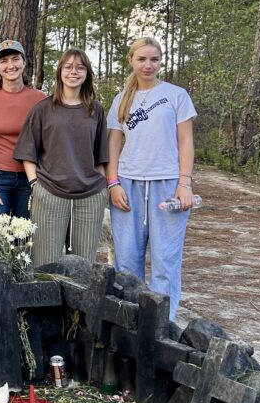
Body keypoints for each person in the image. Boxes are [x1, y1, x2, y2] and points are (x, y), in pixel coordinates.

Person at [106, 37, 197, 319]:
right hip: (128, 184)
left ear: (160, 62)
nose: (148, 65)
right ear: (131, 61)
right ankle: (129, 320)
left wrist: (184, 183)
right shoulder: (122, 99)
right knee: (126, 260)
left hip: (167, 184)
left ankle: (161, 323)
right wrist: (113, 183)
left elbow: (186, 141)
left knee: (165, 259)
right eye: (142, 59)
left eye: (154, 59)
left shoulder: (176, 95)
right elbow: (113, 144)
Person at [15, 49, 109, 266]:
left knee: (83, 265)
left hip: (90, 195)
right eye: (68, 67)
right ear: (59, 72)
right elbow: (28, 151)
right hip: (49, 192)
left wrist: (102, 187)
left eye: (80, 67)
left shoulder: (96, 110)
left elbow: (101, 155)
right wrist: (34, 184)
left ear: (87, 73)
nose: (73, 72)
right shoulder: (43, 109)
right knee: (44, 263)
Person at [0, 39, 47, 218]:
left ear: (24, 62)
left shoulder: (40, 99)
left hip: (31, 178)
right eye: (3, 61)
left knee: (26, 232)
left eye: (15, 59)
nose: (10, 65)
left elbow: (49, 142)